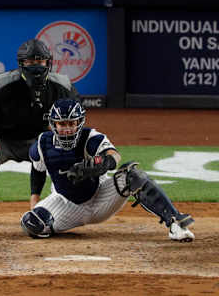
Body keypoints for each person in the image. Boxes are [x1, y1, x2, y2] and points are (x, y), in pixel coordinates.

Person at [20, 98, 195, 242]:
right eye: (62, 123)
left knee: (133, 175)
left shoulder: (90, 137)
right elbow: (37, 170)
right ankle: (52, 223)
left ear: (79, 122)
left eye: (71, 123)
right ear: (53, 125)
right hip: (65, 203)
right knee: (31, 223)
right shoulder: (42, 144)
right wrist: (34, 201)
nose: (67, 128)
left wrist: (97, 164)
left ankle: (175, 223)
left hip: (102, 196)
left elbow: (113, 156)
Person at [0, 38, 80, 226]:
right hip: (1, 140)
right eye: (30, 62)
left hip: (40, 140)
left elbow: (77, 113)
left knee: (69, 157)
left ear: (47, 62)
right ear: (21, 64)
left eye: (40, 61)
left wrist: (65, 135)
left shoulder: (61, 86)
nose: (36, 66)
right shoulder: (2, 84)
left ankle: (70, 208)